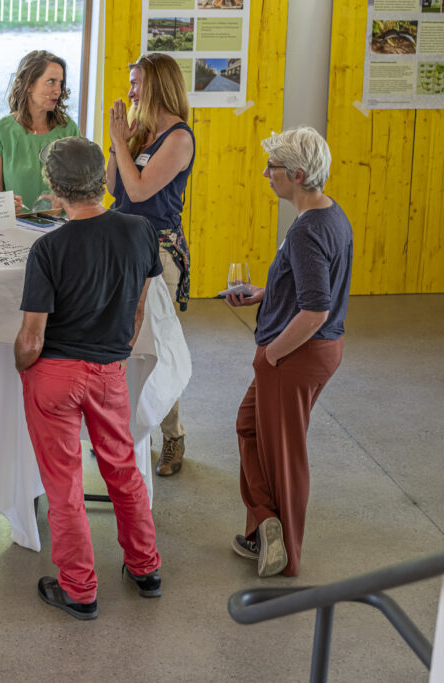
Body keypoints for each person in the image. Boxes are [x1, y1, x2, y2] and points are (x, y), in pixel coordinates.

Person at [15, 137, 163, 621]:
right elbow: (138, 310)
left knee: (64, 485)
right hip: (108, 370)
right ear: (102, 178)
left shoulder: (47, 248)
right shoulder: (141, 231)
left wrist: (20, 364)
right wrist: (112, 350)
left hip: (55, 374)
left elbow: (32, 340)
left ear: (53, 187)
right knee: (122, 469)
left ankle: (79, 589)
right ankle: (145, 568)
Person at [226, 127, 352, 578]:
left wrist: (271, 355)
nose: (266, 174)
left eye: (273, 168)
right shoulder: (329, 215)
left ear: (296, 174)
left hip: (297, 356)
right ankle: (265, 522)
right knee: (249, 426)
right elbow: (313, 289)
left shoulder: (307, 231)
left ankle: (286, 554)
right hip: (311, 352)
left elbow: (316, 310)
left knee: (285, 453)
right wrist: (266, 293)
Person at [107, 52, 195, 478]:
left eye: (137, 82)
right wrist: (117, 142)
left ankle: (172, 434)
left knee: (154, 344)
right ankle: (124, 430)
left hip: (158, 251)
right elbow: (113, 186)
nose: (131, 91)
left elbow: (139, 192)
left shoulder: (178, 138)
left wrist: (123, 144)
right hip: (123, 244)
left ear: (158, 84)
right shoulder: (142, 132)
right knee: (121, 341)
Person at [0, 50, 80, 214]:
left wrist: (67, 200)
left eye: (60, 83)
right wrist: (6, 205)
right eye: (51, 81)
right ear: (29, 85)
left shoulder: (69, 129)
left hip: (62, 229)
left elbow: (83, 190)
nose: (58, 90)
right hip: (16, 230)